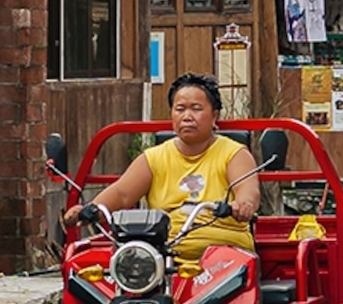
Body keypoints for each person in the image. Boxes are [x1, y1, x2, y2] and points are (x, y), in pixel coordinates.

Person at [88, 73, 258, 266]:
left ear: (214, 116)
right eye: (180, 109)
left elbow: (247, 190)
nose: (187, 117)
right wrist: (89, 209)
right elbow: (122, 193)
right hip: (163, 253)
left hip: (224, 254)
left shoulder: (234, 154)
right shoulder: (153, 158)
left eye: (196, 109)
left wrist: (243, 204)